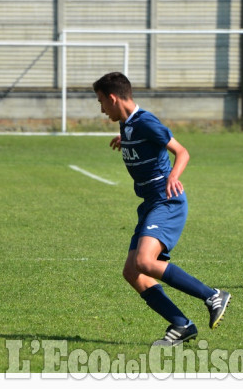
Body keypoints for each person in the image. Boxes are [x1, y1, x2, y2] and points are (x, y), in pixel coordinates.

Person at [92, 72, 230, 346]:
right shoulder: (127, 124)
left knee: (144, 262)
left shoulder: (146, 122)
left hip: (166, 202)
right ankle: (181, 324)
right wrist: (126, 142)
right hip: (149, 205)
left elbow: (182, 151)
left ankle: (212, 295)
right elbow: (143, 143)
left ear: (113, 98)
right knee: (132, 272)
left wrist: (173, 176)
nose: (101, 109)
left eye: (101, 102)